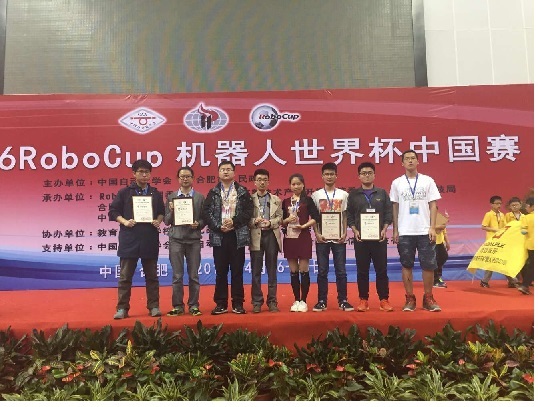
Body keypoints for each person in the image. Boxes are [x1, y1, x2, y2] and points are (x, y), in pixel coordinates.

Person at [108, 159, 165, 319]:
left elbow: (161, 212)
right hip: (130, 239)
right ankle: (122, 308)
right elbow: (113, 212)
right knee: (125, 277)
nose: (144, 175)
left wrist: (158, 221)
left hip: (149, 238)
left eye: (147, 172)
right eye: (141, 172)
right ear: (134, 173)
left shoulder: (155, 193)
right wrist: (125, 221)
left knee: (152, 277)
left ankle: (154, 306)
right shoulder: (125, 193)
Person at [390, 149, 442, 312]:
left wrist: (432, 227)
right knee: (407, 265)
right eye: (407, 159)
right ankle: (409, 298)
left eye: (413, 158)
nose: (410, 161)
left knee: (428, 265)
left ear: (418, 161)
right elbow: (395, 207)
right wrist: (395, 229)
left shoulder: (427, 181)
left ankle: (428, 298)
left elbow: (433, 205)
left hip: (425, 230)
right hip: (405, 231)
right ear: (402, 163)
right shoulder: (397, 183)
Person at [202, 160, 254, 315]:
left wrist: (234, 222)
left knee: (237, 271)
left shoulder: (242, 191)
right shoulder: (213, 192)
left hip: (237, 236)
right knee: (221, 271)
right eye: (223, 169)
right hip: (219, 236)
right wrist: (218, 226)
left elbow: (248, 212)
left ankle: (238, 303)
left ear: (234, 173)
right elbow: (206, 212)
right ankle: (221, 303)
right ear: (218, 173)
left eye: (229, 169)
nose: (226, 172)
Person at [346, 162, 393, 312]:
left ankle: (384, 299)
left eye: (369, 173)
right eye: (363, 173)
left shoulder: (382, 193)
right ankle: (363, 299)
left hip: (379, 238)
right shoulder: (353, 194)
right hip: (361, 239)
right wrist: (354, 230)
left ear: (374, 175)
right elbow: (349, 215)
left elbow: (388, 213)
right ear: (359, 176)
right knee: (362, 270)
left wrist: (384, 229)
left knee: (381, 270)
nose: (367, 175)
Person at [311, 163, 354, 312]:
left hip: (339, 238)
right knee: (322, 271)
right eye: (326, 174)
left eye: (332, 174)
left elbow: (345, 216)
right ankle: (321, 301)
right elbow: (314, 217)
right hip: (322, 238)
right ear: (322, 176)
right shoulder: (316, 195)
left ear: (336, 176)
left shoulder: (344, 195)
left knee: (341, 270)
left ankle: (343, 300)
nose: (329, 177)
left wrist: (344, 232)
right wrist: (317, 233)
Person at [164, 166, 205, 317]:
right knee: (177, 275)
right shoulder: (171, 197)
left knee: (194, 275)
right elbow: (166, 221)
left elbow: (204, 219)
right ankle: (177, 306)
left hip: (193, 240)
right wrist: (172, 210)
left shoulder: (200, 197)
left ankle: (194, 305)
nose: (185, 179)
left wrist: (198, 224)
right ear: (178, 179)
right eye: (182, 177)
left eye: (188, 176)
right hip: (176, 239)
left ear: (193, 178)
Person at [281, 173, 320, 312]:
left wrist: (304, 226)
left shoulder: (307, 200)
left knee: (303, 270)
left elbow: (316, 217)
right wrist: (287, 220)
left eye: (298, 183)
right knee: (293, 271)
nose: (296, 186)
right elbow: (281, 221)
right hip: (289, 238)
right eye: (293, 184)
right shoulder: (285, 202)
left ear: (303, 185)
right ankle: (296, 300)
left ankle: (304, 301)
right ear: (290, 186)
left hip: (303, 237)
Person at [248, 169, 283, 313]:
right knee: (256, 271)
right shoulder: (249, 200)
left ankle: (272, 301)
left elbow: (280, 218)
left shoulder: (276, 199)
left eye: (265, 180)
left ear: (268, 182)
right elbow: (245, 219)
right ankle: (257, 302)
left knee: (272, 270)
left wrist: (271, 222)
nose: (262, 182)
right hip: (256, 236)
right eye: (259, 180)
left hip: (271, 236)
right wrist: (254, 221)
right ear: (255, 182)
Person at [479, 195, 507, 288]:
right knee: (490, 262)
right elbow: (483, 227)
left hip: (501, 241)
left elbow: (505, 226)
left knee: (504, 260)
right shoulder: (488, 214)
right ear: (491, 204)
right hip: (491, 241)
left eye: (500, 203)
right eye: (497, 203)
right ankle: (484, 281)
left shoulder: (502, 215)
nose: (499, 205)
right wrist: (495, 230)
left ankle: (512, 281)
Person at [505, 196, 525, 286]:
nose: (515, 207)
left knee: (519, 260)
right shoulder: (507, 215)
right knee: (510, 261)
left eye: (516, 205)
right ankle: (511, 280)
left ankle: (519, 280)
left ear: (520, 205)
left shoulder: (524, 216)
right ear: (510, 206)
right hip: (510, 241)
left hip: (520, 242)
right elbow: (505, 227)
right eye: (513, 205)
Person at [518, 197, 534, 295]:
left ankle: (525, 285)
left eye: (527, 206)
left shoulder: (526, 217)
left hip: (531, 244)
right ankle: (525, 285)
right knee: (532, 265)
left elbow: (523, 231)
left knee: (531, 265)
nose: (526, 208)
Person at [433, 207, 450, 288]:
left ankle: (438, 276)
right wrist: (442, 225)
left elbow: (443, 231)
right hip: (432, 242)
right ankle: (435, 280)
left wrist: (447, 242)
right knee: (434, 261)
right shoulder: (428, 218)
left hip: (440, 242)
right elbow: (435, 229)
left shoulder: (440, 217)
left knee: (443, 257)